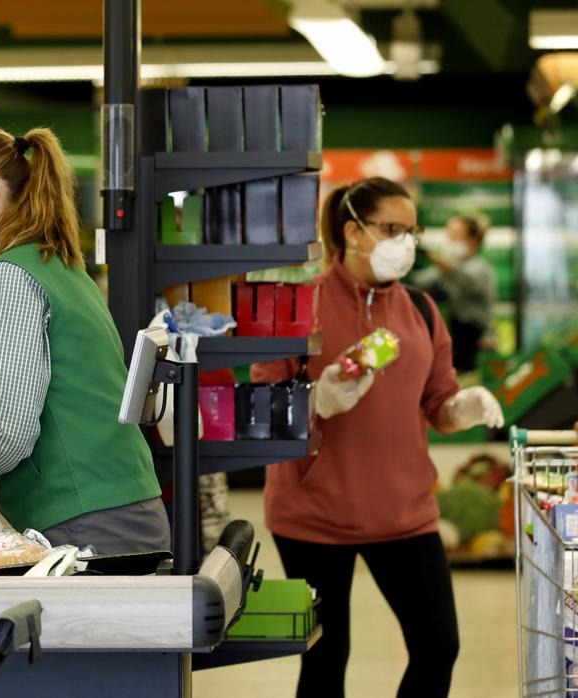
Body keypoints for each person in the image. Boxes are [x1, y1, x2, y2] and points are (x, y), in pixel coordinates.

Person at [252, 178, 505, 698]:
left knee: (438, 645)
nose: (405, 243)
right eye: (392, 229)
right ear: (354, 231)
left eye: (412, 231)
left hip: (404, 514)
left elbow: (439, 404)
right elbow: (260, 407)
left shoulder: (422, 309)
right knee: (326, 658)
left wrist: (464, 407)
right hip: (312, 515)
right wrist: (314, 402)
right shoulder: (300, 304)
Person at [0, 124, 169, 555]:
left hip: (82, 520)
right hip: (121, 504)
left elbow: (12, 431)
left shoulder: (10, 276)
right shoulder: (60, 264)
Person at [414, 213, 498, 372]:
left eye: (456, 236)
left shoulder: (481, 268)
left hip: (478, 341)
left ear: (472, 240)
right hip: (458, 338)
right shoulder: (445, 270)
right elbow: (421, 282)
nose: (450, 241)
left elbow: (466, 280)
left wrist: (435, 258)